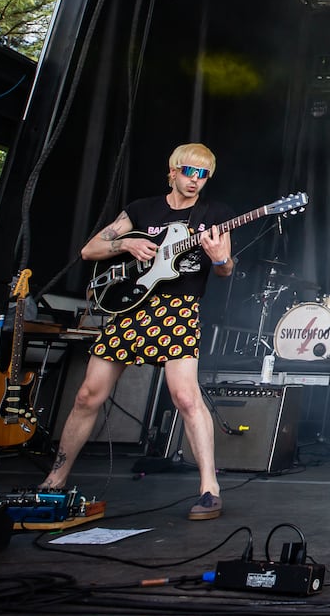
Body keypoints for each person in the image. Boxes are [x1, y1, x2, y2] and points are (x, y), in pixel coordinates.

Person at [41, 143, 235, 520]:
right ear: (173, 170)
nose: (195, 180)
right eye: (188, 172)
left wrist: (220, 259)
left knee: (185, 397)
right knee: (86, 396)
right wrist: (125, 242)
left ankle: (209, 489)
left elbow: (226, 270)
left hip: (178, 309)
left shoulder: (215, 215)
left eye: (203, 174)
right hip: (131, 307)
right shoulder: (142, 209)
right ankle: (55, 479)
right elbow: (89, 251)